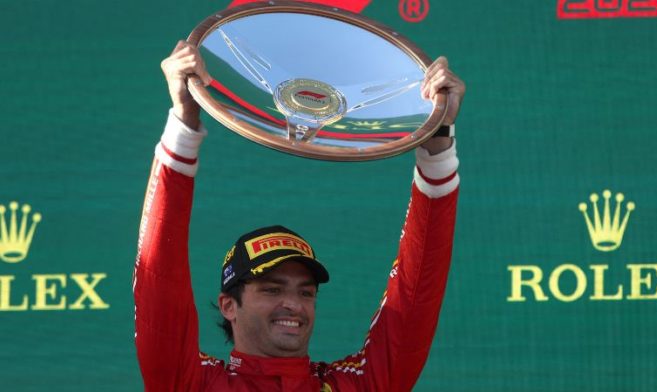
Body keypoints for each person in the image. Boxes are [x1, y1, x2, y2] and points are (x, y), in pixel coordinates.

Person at [133, 40, 465, 391]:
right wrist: (184, 124)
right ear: (229, 306)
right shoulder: (192, 383)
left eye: (306, 293)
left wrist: (438, 144)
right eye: (272, 289)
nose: (293, 305)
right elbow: (159, 275)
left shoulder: (354, 386)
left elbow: (416, 298)